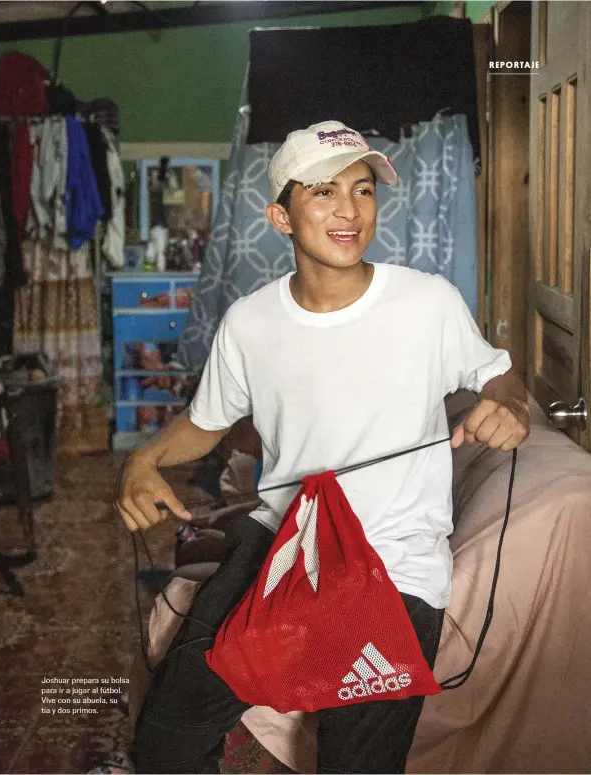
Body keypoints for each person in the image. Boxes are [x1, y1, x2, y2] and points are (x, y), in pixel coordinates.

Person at [116, 120, 530, 774]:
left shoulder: (427, 304)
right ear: (280, 215)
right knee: (165, 741)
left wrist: (506, 405)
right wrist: (142, 460)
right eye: (324, 192)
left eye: (363, 190)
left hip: (390, 557)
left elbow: (500, 377)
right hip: (282, 539)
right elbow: (205, 421)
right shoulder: (250, 322)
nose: (349, 210)